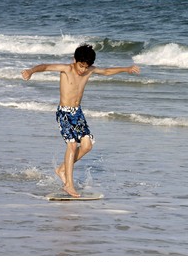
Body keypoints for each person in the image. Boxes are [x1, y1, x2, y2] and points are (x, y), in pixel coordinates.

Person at [22, 43, 140, 197]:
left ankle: (61, 169)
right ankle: (69, 185)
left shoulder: (89, 70)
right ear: (74, 60)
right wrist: (31, 71)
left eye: (86, 67)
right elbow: (45, 66)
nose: (83, 69)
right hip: (64, 113)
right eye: (81, 65)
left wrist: (126, 69)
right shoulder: (66, 69)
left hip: (78, 113)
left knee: (87, 145)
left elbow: (106, 71)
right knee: (71, 145)